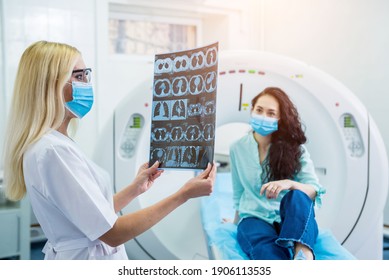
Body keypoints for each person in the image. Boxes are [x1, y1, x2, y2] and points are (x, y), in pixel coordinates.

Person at [2, 40, 216, 260]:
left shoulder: (54, 143)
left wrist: (135, 188)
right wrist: (184, 195)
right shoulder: (54, 151)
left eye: (86, 75)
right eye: (78, 76)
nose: (86, 83)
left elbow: (91, 214)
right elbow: (113, 233)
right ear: (50, 85)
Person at [229, 87, 326, 260]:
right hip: (254, 217)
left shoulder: (296, 149)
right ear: (252, 111)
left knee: (298, 195)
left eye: (271, 113)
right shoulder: (237, 148)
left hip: (289, 217)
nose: (263, 116)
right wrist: (234, 222)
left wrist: (289, 183)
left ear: (279, 118)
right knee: (265, 250)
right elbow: (239, 193)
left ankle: (302, 253)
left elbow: (314, 190)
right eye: (259, 110)